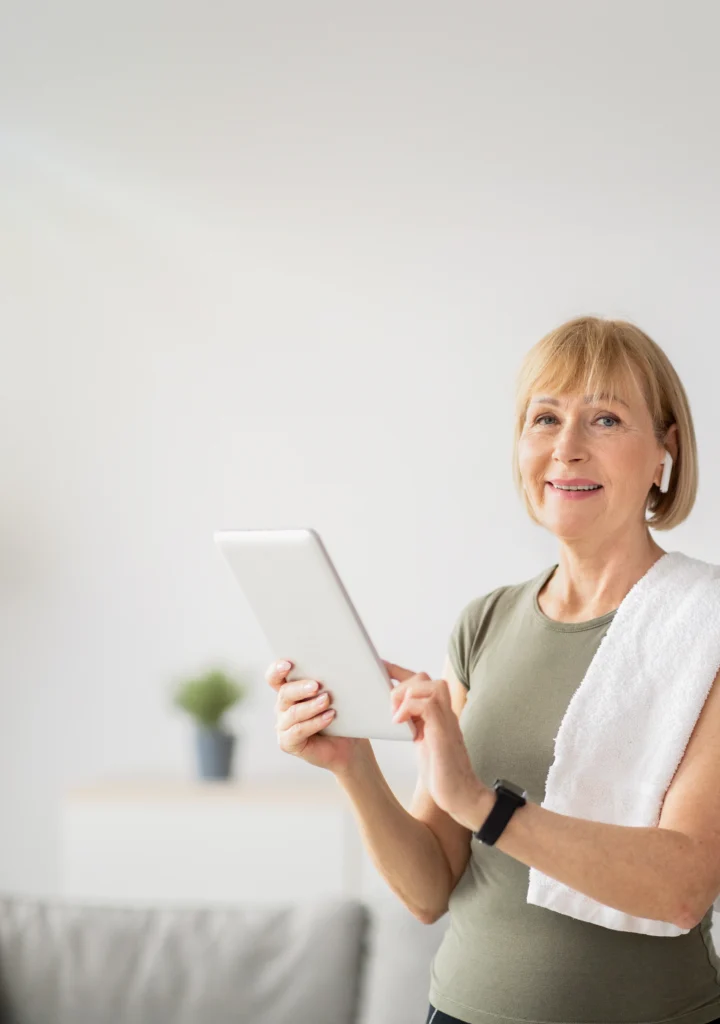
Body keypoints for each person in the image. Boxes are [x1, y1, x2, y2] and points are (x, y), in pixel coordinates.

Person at [266, 315, 720, 1024]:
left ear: (665, 450)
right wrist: (351, 764)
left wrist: (484, 805)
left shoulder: (707, 626)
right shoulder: (486, 623)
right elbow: (428, 891)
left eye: (604, 418)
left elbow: (684, 888)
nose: (566, 449)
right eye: (545, 418)